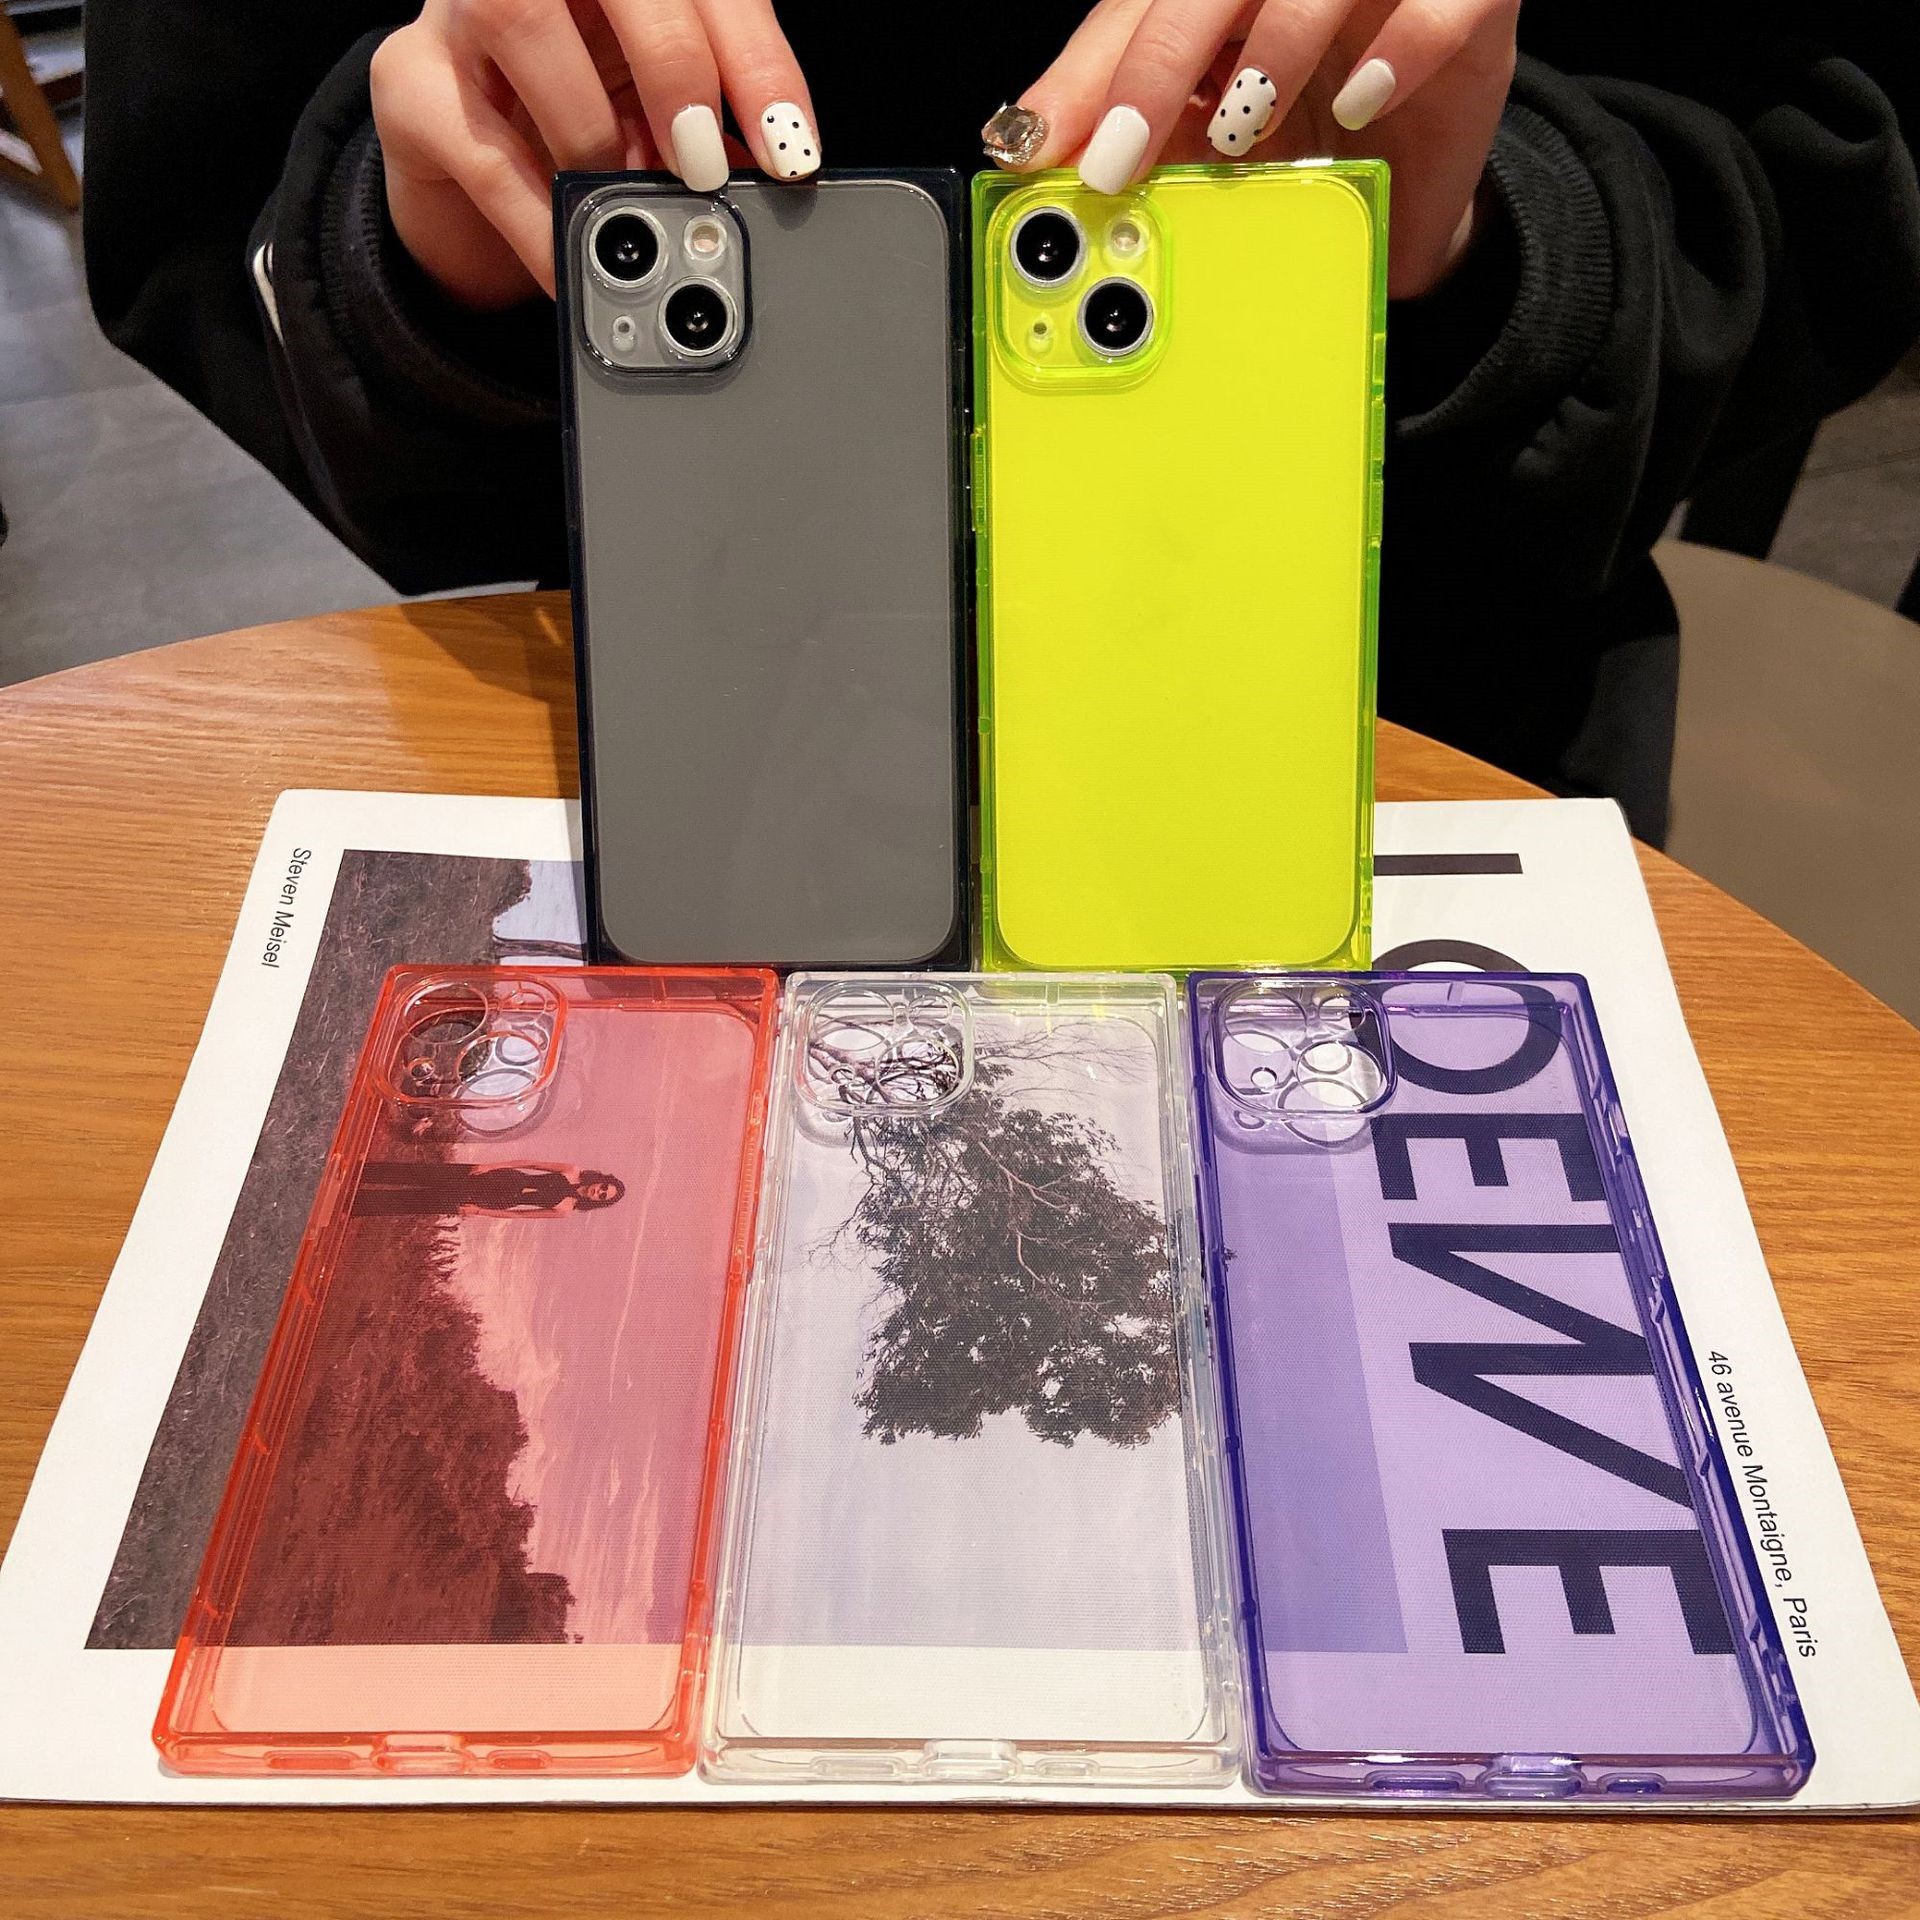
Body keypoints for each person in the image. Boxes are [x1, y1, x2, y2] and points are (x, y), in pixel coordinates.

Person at [84, 2, 1920, 843]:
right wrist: (427, 255)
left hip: (1403, 732)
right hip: (622, 730)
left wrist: (1481, 245)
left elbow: (1822, 162)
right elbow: (199, 182)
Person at [351, 1159, 627, 1216]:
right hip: (501, 1177)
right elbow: (528, 1162)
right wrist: (490, 1165)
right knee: (425, 1173)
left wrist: (479, 1211)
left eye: (603, 1196)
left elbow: (519, 1216)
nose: (599, 1191)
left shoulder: (565, 1209)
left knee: (423, 1202)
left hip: (496, 1200)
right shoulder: (570, 1170)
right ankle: (360, 1171)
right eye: (604, 1187)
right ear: (601, 1179)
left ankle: (355, 1203)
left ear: (599, 1202)